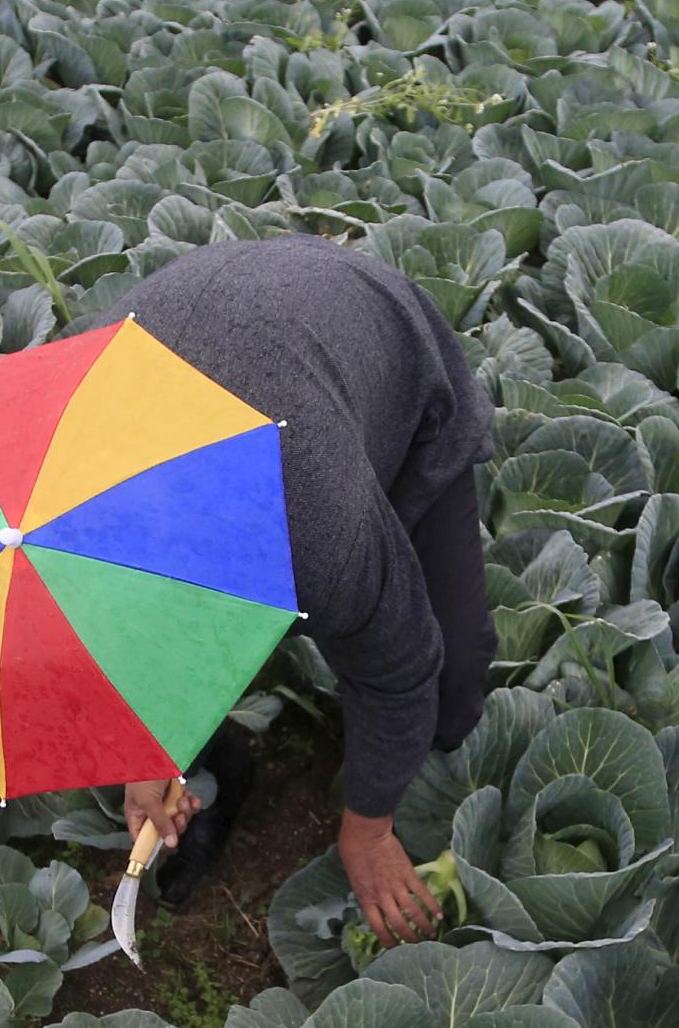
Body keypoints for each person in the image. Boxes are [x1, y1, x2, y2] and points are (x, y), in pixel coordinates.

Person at [101, 234, 493, 950]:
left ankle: (417, 795)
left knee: (454, 661)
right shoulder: (67, 486)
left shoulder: (313, 519)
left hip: (377, 350)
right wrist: (146, 747)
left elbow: (400, 665)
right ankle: (223, 770)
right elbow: (136, 632)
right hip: (208, 324)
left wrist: (368, 829)